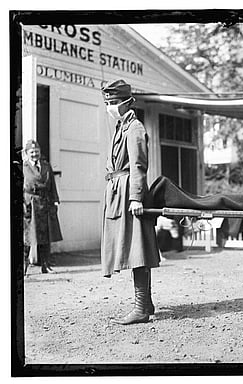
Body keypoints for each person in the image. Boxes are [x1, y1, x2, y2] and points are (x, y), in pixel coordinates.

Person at [101, 79, 160, 325]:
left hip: (129, 194)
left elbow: (138, 165)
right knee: (131, 248)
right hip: (117, 192)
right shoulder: (121, 126)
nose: (110, 107)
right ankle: (146, 303)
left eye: (114, 102)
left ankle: (140, 308)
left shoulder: (134, 128)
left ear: (127, 102)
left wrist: (136, 197)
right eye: (107, 103)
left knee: (137, 250)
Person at [23, 140, 62, 274]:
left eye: (37, 152)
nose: (35, 154)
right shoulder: (23, 167)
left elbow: (52, 185)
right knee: (27, 236)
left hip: (45, 203)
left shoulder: (46, 166)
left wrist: (55, 200)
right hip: (30, 204)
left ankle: (45, 265)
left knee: (45, 236)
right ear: (27, 154)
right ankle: (23, 267)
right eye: (32, 152)